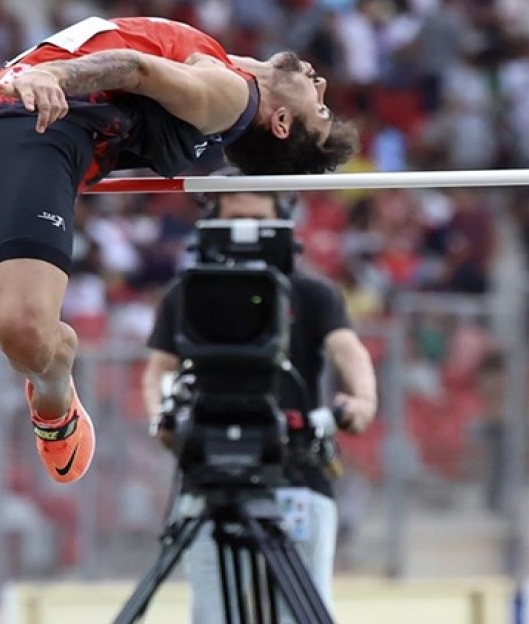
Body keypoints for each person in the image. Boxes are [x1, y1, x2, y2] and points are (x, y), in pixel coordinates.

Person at [0, 16, 358, 594]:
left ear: (280, 123)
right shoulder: (216, 63)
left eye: (320, 107)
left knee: (25, 333)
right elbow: (110, 58)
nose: (321, 83)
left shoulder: (233, 95)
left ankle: (55, 387)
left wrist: (48, 74)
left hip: (37, 136)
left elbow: (130, 68)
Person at [142, 186, 378, 623]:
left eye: (256, 220)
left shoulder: (312, 293)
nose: (243, 232)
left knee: (299, 612)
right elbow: (158, 368)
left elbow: (349, 349)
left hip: (296, 469)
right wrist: (163, 418)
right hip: (208, 471)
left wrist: (363, 399)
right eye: (233, 220)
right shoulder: (188, 294)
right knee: (212, 615)